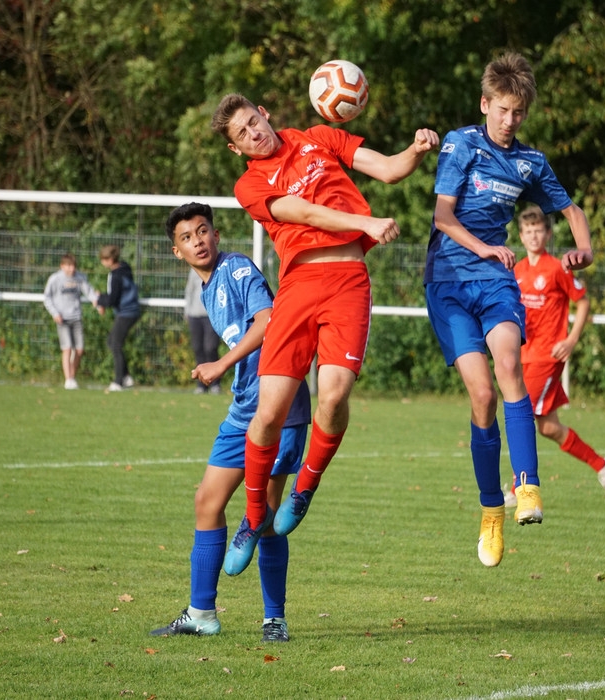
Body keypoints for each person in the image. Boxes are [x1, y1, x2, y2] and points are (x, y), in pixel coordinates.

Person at [209, 93, 439, 576]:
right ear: (236, 148)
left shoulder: (320, 138)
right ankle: (253, 518)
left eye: (253, 121)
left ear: (265, 114)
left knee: (332, 400)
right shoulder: (249, 185)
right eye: (242, 134)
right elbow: (306, 214)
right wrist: (366, 222)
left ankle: (305, 487)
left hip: (348, 282)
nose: (253, 133)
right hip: (298, 287)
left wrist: (416, 150)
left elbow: (388, 169)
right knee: (268, 415)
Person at [423, 52, 594, 568]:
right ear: (485, 104)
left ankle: (528, 486)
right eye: (502, 109)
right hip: (450, 281)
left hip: (496, 281)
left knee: (509, 366)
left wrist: (583, 249)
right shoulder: (460, 144)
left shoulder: (530, 162)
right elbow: (443, 216)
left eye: (518, 112)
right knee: (481, 396)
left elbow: (571, 209)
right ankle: (490, 510)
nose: (510, 120)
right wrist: (486, 249)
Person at [151, 202, 311, 643]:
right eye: (187, 237)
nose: (198, 241)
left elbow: (268, 320)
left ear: (216, 235)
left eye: (203, 231)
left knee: (266, 517)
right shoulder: (206, 289)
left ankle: (274, 620)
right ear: (177, 251)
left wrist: (221, 364)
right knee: (207, 501)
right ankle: (202, 613)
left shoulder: (237, 268)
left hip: (279, 406)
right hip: (243, 409)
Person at [513, 205, 605, 504]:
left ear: (548, 234)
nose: (534, 236)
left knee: (520, 415)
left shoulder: (558, 268)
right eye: (528, 231)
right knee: (548, 427)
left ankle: (518, 488)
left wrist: (571, 340)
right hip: (524, 355)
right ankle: (602, 465)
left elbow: (582, 302)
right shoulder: (517, 270)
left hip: (547, 356)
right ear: (521, 236)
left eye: (538, 230)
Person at [42, 253, 99, 390]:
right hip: (62, 319)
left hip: (76, 317)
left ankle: (72, 377)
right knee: (67, 348)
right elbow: (47, 297)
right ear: (62, 266)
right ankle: (68, 379)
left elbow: (89, 291)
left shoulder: (79, 278)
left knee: (79, 350)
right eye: (68, 266)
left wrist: (96, 301)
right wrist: (55, 313)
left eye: (73, 266)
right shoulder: (55, 279)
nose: (71, 269)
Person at [97, 244, 142, 392]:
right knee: (111, 341)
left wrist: (99, 299)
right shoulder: (126, 267)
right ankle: (126, 376)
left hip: (126, 312)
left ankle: (118, 381)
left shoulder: (115, 275)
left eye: (104, 260)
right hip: (131, 311)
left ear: (109, 260)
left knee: (115, 344)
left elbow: (112, 300)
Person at [184, 267, 222, 395]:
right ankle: (201, 384)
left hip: (211, 315)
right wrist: (187, 311)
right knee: (198, 348)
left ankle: (215, 383)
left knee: (210, 348)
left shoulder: (217, 270)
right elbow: (189, 290)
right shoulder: (194, 270)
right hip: (194, 315)